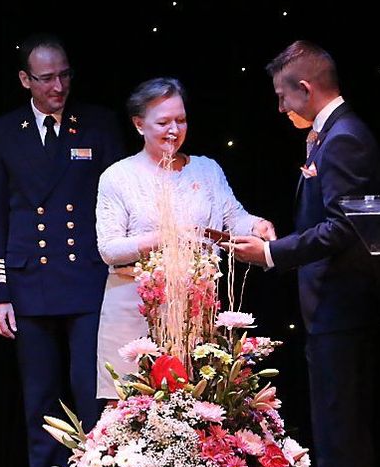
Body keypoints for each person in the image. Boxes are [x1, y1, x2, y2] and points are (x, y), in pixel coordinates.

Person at [229, 40, 380, 467]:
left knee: (343, 427)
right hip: (328, 309)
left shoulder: (344, 139)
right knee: (332, 423)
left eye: (281, 96)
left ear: (305, 89)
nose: (279, 108)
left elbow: (346, 225)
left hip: (343, 307)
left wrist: (274, 253)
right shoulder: (327, 137)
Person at [0, 34, 125, 467]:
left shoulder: (101, 124)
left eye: (64, 75)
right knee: (40, 404)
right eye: (45, 78)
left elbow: (116, 200)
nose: (58, 86)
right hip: (28, 284)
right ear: (25, 80)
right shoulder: (3, 132)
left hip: (87, 280)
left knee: (94, 401)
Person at [95, 78, 275, 399]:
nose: (174, 129)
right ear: (139, 125)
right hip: (134, 309)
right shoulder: (118, 176)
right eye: (163, 122)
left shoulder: (206, 170)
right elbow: (110, 250)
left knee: (197, 405)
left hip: (194, 311)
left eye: (181, 119)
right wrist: (167, 237)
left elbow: (233, 218)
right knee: (130, 409)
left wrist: (257, 226)